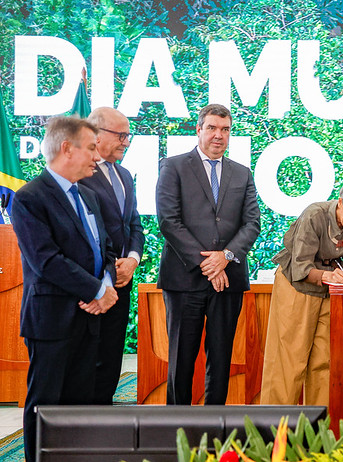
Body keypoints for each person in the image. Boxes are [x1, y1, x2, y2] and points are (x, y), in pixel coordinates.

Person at [11, 116, 119, 461]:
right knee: (45, 407)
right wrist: (95, 291)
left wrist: (105, 285)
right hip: (52, 322)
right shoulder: (29, 198)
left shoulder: (88, 196)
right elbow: (46, 261)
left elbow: (105, 249)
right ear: (66, 148)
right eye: (90, 148)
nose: (96, 156)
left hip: (88, 322)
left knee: (80, 408)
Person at [156, 104, 260, 405]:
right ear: (198, 129)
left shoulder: (242, 173)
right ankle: (176, 431)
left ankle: (215, 427)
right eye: (212, 128)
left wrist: (225, 256)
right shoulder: (173, 166)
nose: (219, 135)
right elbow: (168, 221)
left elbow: (252, 222)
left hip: (228, 280)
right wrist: (209, 264)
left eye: (225, 130)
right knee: (182, 358)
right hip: (184, 280)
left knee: (222, 356)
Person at [260, 182, 343, 406]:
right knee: (289, 360)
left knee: (323, 361)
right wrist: (325, 275)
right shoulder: (315, 214)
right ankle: (274, 433)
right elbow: (300, 264)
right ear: (339, 202)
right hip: (296, 286)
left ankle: (317, 432)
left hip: (328, 291)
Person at [79, 106, 144, 404]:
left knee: (112, 352)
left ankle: (105, 414)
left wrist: (132, 259)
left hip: (122, 281)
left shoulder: (125, 175)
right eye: (120, 135)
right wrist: (107, 271)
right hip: (90, 284)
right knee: (86, 358)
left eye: (127, 136)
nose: (126, 142)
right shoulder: (79, 175)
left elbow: (133, 225)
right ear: (96, 134)